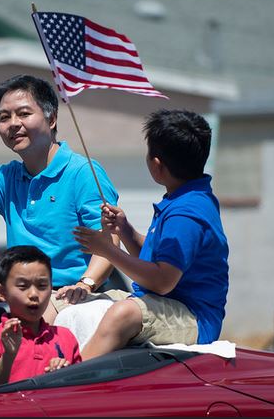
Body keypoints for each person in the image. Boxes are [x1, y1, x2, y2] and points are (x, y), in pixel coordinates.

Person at [0, 75, 119, 323]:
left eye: (23, 114)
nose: (13, 124)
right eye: (4, 117)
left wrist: (85, 285)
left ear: (51, 119)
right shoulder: (7, 177)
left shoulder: (82, 172)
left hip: (72, 300)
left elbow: (110, 238)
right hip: (23, 301)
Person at [73, 109, 229, 360]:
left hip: (194, 317)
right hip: (164, 303)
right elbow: (159, 262)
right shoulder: (184, 199)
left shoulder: (186, 213)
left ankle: (65, 383)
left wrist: (108, 251)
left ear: (157, 165)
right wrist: (125, 231)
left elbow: (162, 281)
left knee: (122, 314)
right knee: (79, 306)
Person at [0, 245, 82, 388]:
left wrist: (63, 375)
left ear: (51, 289)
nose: (33, 294)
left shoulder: (65, 336)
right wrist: (8, 356)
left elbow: (80, 387)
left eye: (42, 285)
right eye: (23, 286)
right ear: (1, 292)